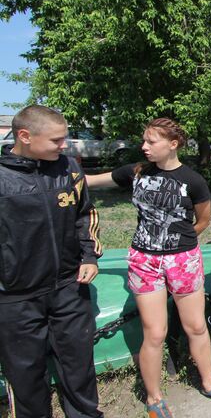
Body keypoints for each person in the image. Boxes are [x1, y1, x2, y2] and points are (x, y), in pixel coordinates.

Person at [87, 118, 211, 416]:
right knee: (154, 333)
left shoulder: (192, 180)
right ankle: (154, 398)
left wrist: (181, 243)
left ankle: (208, 382)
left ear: (173, 144)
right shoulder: (136, 172)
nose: (144, 146)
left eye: (151, 141)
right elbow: (91, 181)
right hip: (145, 261)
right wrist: (61, 174)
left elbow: (203, 219)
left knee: (195, 326)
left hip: (182, 259)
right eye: (144, 140)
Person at [0, 105, 104, 418]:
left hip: (69, 287)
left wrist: (89, 256)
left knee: (79, 366)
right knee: (27, 376)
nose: (65, 145)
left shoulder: (69, 168)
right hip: (16, 297)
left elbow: (85, 214)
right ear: (25, 136)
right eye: (56, 140)